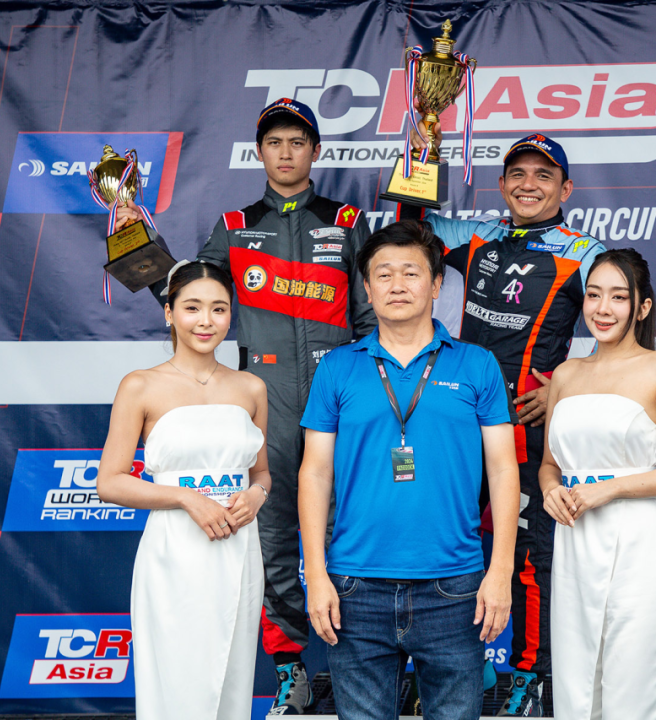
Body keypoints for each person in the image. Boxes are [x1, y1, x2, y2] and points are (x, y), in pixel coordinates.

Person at [116, 98, 375, 713]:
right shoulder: (235, 225)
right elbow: (185, 290)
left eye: (297, 142)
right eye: (274, 142)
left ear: (316, 150)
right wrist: (130, 235)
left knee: (354, 533)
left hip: (342, 400)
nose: (286, 153)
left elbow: (372, 315)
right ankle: (290, 670)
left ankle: (360, 668)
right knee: (273, 537)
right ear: (259, 152)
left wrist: (374, 397)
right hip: (266, 400)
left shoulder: (346, 221)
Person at [401, 130, 606, 714]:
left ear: (566, 188)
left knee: (529, 558)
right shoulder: (477, 236)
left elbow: (621, 326)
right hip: (460, 420)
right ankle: (450, 666)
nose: (528, 184)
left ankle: (530, 675)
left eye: (544, 175)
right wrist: (423, 151)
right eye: (518, 173)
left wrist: (565, 385)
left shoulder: (586, 252)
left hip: (525, 426)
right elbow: (411, 231)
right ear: (501, 184)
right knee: (443, 543)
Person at [298, 219, 520, 720]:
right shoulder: (337, 367)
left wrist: (500, 570)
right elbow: (314, 474)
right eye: (383, 274)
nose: (397, 285)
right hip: (354, 586)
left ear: (436, 285)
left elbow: (504, 470)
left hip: (455, 586)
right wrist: (317, 573)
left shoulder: (477, 364)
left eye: (411, 273)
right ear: (367, 288)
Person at [538, 248, 656, 720]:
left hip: (636, 539)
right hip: (574, 539)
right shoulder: (566, 374)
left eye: (618, 296)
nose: (603, 308)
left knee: (633, 679)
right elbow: (550, 465)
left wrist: (610, 488)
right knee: (575, 679)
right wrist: (552, 489)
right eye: (594, 295)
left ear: (642, 307)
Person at [96, 260, 272, 720]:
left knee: (231, 680)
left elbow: (261, 474)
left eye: (219, 308)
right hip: (174, 554)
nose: (206, 320)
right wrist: (186, 497)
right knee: (177, 686)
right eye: (192, 307)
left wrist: (256, 496)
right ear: (169, 312)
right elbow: (109, 482)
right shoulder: (140, 385)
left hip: (238, 550)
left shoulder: (251, 387)